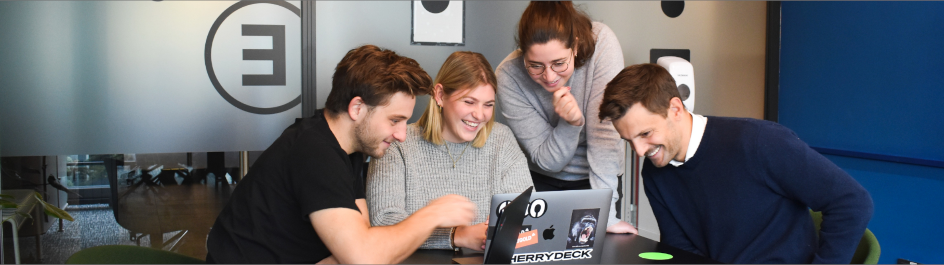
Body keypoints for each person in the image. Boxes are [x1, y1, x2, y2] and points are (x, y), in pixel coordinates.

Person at [205, 45, 477, 264]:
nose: (401, 135)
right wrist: (432, 215)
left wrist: (360, 251)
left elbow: (363, 239)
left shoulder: (348, 150)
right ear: (357, 108)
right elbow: (365, 256)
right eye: (395, 120)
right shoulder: (314, 151)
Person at [598, 63, 875, 264]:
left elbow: (851, 202)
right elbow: (681, 249)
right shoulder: (656, 173)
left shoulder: (758, 142)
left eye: (645, 134)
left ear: (675, 109)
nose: (639, 150)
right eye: (628, 140)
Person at [367, 51, 534, 251]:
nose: (479, 115)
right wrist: (456, 236)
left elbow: (530, 216)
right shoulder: (397, 143)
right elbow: (383, 223)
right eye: (469, 102)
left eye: (488, 105)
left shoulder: (501, 140)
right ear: (439, 95)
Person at [495, 1, 636, 234]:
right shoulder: (509, 76)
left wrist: (607, 216)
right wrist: (571, 124)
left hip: (599, 182)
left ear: (576, 46)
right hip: (541, 181)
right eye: (535, 66)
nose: (549, 76)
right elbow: (548, 160)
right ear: (523, 54)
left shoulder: (602, 43)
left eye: (559, 63)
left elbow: (605, 137)